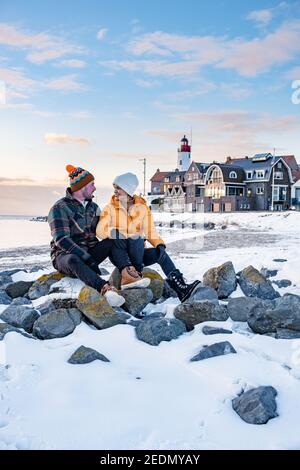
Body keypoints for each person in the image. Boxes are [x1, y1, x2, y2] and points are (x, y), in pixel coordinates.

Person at [96, 172, 200, 302]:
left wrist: (159, 244)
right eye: (114, 187)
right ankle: (131, 275)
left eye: (118, 187)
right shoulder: (109, 208)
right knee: (137, 237)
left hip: (137, 252)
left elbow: (151, 232)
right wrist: (115, 232)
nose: (115, 191)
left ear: (128, 189)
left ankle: (181, 288)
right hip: (119, 252)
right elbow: (100, 230)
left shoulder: (143, 209)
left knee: (159, 253)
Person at [48, 165, 131, 307]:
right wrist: (86, 258)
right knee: (73, 259)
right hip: (65, 257)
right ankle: (104, 288)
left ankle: (128, 272)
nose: (94, 188)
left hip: (90, 256)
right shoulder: (60, 207)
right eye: (92, 184)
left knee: (113, 239)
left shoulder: (94, 208)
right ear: (82, 187)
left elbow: (103, 230)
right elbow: (61, 239)